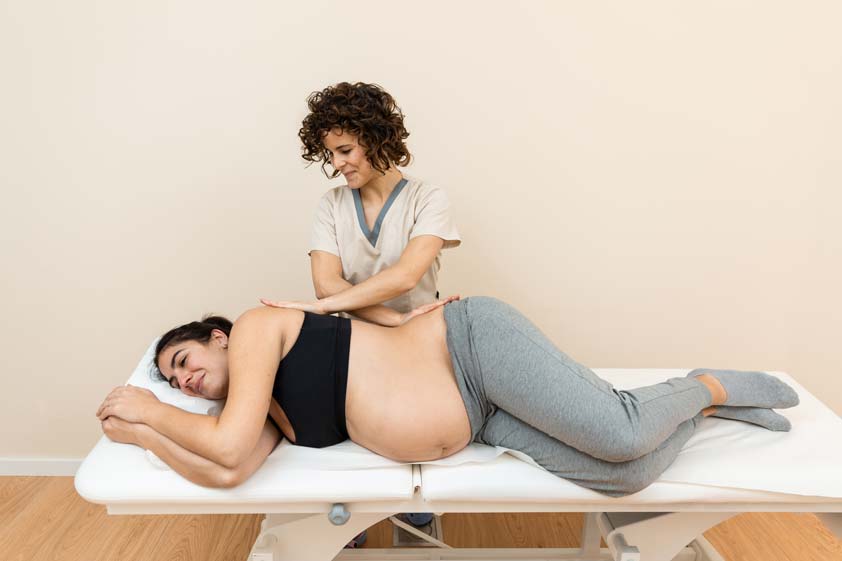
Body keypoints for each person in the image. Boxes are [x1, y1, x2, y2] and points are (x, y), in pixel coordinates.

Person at [97, 297, 798, 497]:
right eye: (172, 380)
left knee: (617, 432)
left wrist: (148, 407)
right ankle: (700, 408)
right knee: (627, 474)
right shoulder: (257, 416)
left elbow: (219, 446)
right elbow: (228, 466)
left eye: (183, 360)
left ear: (217, 335)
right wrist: (145, 435)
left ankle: (706, 383)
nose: (182, 381)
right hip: (482, 418)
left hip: (468, 348)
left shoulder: (256, 327)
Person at [261, 81, 461, 326]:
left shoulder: (428, 199)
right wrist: (395, 318)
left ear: (377, 140)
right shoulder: (332, 204)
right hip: (357, 338)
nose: (336, 163)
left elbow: (405, 277)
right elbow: (325, 284)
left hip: (418, 333)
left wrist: (325, 307)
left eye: (345, 151)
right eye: (331, 154)